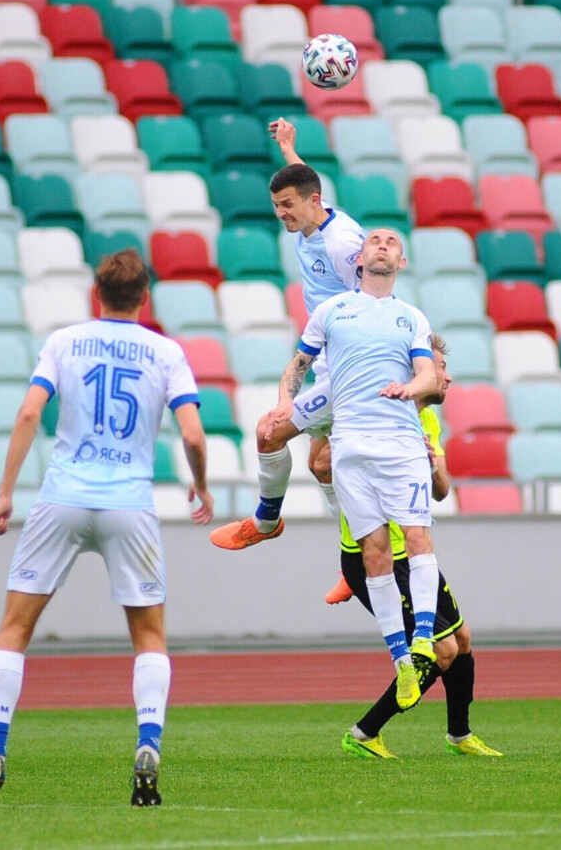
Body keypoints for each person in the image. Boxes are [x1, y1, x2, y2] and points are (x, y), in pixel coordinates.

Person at [0, 250, 214, 806]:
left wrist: (5, 494)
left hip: (63, 497)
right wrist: (199, 484)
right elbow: (194, 435)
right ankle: (148, 743)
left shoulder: (64, 341)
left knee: (14, 628)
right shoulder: (166, 351)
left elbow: (29, 413)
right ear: (145, 298)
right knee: (148, 636)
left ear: (95, 296)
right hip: (129, 502)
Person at [265, 227, 441, 711]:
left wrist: (411, 388)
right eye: (375, 240)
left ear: (400, 262)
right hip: (350, 444)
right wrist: (286, 399)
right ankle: (402, 660)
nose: (383, 244)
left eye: (392, 242)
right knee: (375, 553)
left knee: (418, 536)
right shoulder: (331, 311)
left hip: (401, 441)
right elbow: (299, 364)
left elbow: (428, 372)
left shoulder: (411, 318)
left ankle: (423, 640)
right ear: (359, 258)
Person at [331, 335, 502, 758]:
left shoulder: (426, 422)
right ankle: (364, 733)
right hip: (380, 559)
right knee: (440, 649)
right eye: (438, 368)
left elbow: (442, 490)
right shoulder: (372, 419)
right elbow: (322, 465)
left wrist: (430, 464)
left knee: (461, 639)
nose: (446, 376)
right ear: (416, 376)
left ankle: (459, 736)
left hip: (415, 556)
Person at [210, 117, 364, 551]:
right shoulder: (314, 214)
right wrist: (288, 148)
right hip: (328, 362)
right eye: (276, 205)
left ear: (312, 201)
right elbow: (304, 180)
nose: (280, 214)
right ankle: (358, 556)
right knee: (321, 465)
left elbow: (375, 303)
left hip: (349, 370)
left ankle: (265, 522)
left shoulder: (342, 246)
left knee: (268, 431)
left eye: (286, 206)